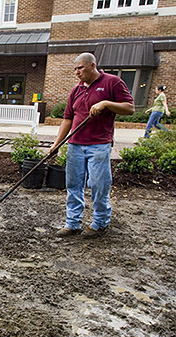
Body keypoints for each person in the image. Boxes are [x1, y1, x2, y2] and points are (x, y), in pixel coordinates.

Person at [50, 53, 134, 238]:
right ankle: (72, 223)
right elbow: (67, 119)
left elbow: (129, 108)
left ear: (92, 65)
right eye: (75, 69)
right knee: (73, 185)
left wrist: (105, 103)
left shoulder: (112, 82)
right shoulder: (76, 90)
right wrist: (56, 145)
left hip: (99, 144)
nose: (76, 72)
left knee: (98, 184)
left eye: (80, 68)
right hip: (75, 145)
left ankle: (100, 223)